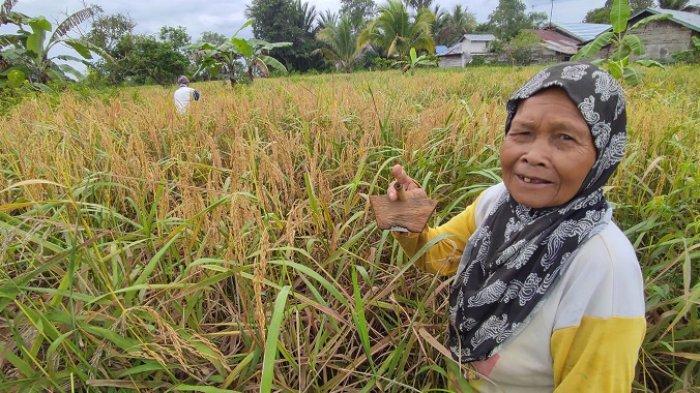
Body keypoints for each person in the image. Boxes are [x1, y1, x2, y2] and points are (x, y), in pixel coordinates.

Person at [388, 62, 645, 392]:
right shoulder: (498, 203)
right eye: (523, 133)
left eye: (564, 138)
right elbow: (437, 254)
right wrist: (407, 218)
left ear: (602, 156)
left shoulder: (604, 269)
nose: (534, 155)